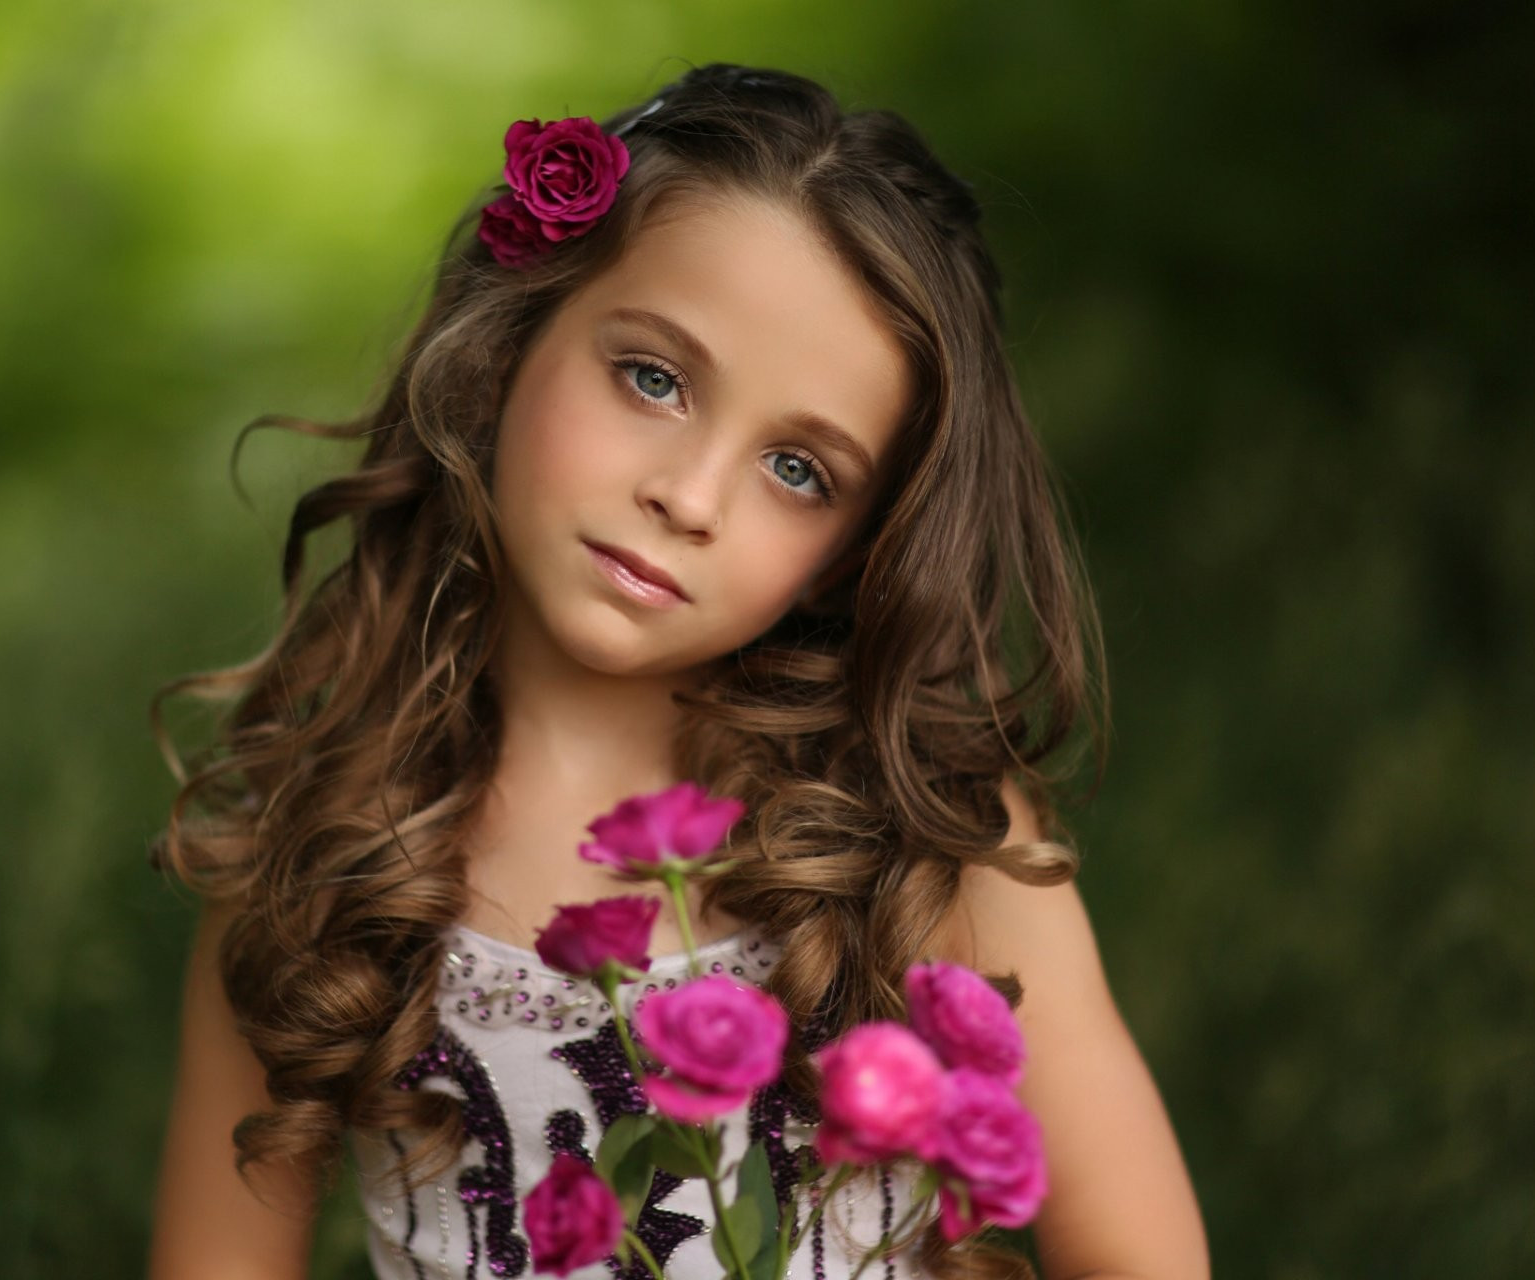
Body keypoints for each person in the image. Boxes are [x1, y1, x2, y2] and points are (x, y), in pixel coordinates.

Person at [145, 62, 1208, 1280]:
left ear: (848, 555)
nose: (689, 496)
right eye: (653, 378)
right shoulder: (322, 832)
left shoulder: (925, 842)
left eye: (799, 469)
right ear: (507, 342)